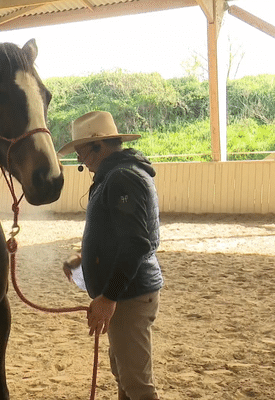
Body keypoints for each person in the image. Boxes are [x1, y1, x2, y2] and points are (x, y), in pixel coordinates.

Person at [58, 111, 163, 400]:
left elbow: (136, 243)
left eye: (82, 153)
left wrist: (108, 297)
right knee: (125, 375)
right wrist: (83, 254)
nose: (81, 160)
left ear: (98, 146)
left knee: (137, 384)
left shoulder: (121, 179)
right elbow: (120, 233)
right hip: (129, 291)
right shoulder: (119, 176)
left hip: (129, 293)